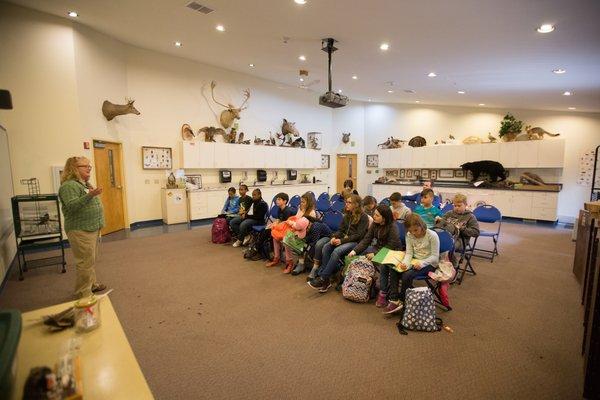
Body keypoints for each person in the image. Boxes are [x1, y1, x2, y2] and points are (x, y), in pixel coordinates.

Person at [58, 156, 106, 299]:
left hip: (90, 228)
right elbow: (72, 206)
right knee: (84, 262)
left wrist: (91, 194)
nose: (89, 168)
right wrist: (91, 195)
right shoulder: (68, 186)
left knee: (89, 260)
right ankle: (83, 293)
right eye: (85, 166)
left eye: (89, 166)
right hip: (80, 229)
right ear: (74, 169)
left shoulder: (83, 184)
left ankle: (91, 284)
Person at [308, 194, 369, 293]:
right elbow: (341, 230)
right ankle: (327, 281)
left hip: (356, 243)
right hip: (346, 239)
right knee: (327, 246)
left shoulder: (364, 217)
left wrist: (341, 241)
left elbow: (359, 235)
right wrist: (334, 237)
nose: (346, 204)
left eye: (349, 202)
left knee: (336, 251)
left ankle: (323, 278)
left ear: (356, 204)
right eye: (346, 202)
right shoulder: (347, 215)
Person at [384, 214, 440, 314]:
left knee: (406, 275)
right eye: (410, 231)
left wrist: (422, 263)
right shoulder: (409, 235)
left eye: (416, 230)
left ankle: (403, 301)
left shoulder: (432, 235)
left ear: (422, 226)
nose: (413, 233)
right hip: (414, 260)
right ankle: (394, 299)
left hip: (429, 263)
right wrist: (405, 263)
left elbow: (435, 257)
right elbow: (409, 253)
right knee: (394, 269)